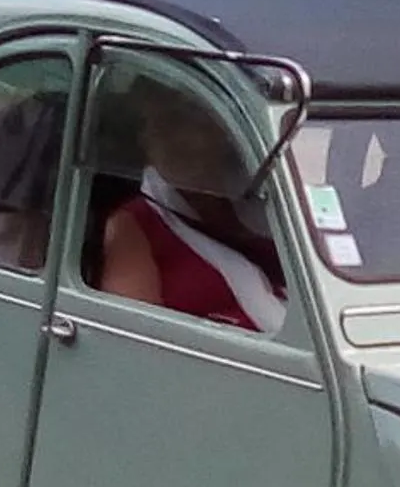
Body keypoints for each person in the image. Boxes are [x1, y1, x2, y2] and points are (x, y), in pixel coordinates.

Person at [95, 89, 288, 334]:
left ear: (220, 130)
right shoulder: (134, 225)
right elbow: (135, 341)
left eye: (179, 121)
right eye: (151, 125)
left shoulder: (266, 203)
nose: (164, 138)